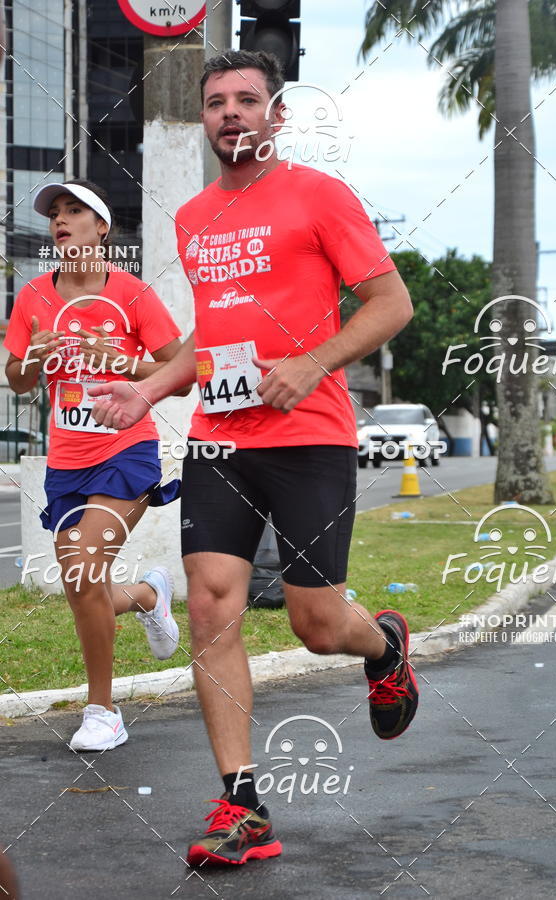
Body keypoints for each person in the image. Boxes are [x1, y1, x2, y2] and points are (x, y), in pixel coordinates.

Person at [90, 50, 418, 864]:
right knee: (210, 605)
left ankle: (381, 645)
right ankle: (242, 806)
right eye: (216, 103)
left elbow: (391, 302)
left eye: (246, 100)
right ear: (204, 120)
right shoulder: (195, 217)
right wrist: (152, 387)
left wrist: (313, 362)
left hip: (311, 434)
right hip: (221, 436)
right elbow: (213, 333)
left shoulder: (319, 196)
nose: (230, 113)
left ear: (276, 116)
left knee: (313, 624)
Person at [5, 179, 187, 752]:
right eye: (55, 213)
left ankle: (103, 710)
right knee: (84, 585)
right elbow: (17, 381)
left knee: (83, 570)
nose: (61, 220)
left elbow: (184, 370)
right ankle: (149, 596)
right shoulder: (34, 295)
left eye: (74, 211)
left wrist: (125, 362)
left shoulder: (131, 292)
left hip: (125, 452)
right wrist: (33, 356)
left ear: (101, 228)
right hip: (67, 462)